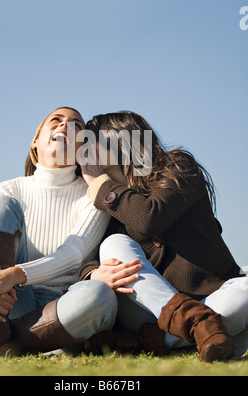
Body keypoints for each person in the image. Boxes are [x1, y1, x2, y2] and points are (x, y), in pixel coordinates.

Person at [75, 111, 248, 361]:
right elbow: (87, 255)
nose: (87, 150)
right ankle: (198, 327)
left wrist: (102, 187)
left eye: (94, 139)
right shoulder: (98, 201)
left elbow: (148, 218)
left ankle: (147, 341)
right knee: (114, 243)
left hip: (209, 295)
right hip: (145, 307)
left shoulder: (177, 167)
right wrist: (93, 273)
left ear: (122, 138)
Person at [0, 107, 114, 356]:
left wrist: (14, 275)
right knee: (1, 204)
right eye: (56, 120)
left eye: (76, 126)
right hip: (12, 301)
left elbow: (74, 254)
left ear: (84, 147)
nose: (64, 126)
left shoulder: (93, 192)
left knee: (100, 295)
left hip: (63, 307)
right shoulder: (9, 189)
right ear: (36, 142)